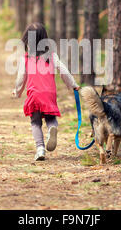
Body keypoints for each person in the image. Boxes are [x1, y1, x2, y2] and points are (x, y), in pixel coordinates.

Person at [13, 23, 80, 161]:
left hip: (34, 95)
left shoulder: (25, 58)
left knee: (35, 122)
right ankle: (52, 129)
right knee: (51, 118)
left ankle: (40, 148)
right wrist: (73, 85)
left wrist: (17, 91)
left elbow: (21, 78)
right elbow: (64, 72)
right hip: (49, 94)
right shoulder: (51, 56)